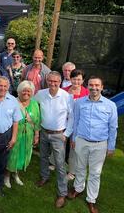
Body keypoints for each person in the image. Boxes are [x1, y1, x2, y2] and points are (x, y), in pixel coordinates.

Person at [67, 76, 118, 213]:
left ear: (102, 87)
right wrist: (73, 138)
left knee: (95, 173)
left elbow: (113, 128)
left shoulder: (110, 105)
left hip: (100, 144)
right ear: (87, 86)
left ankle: (91, 199)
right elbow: (76, 121)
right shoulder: (79, 103)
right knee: (80, 167)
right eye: (91, 85)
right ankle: (78, 188)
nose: (94, 88)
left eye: (97, 85)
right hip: (81, 141)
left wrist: (111, 146)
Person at [34, 71, 74, 208]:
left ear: (60, 82)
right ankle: (44, 177)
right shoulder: (41, 94)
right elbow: (32, 105)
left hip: (59, 135)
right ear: (47, 81)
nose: (53, 84)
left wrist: (66, 134)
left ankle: (62, 193)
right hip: (44, 131)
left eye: (56, 81)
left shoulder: (66, 96)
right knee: (43, 157)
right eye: (50, 81)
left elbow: (72, 117)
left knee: (60, 164)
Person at [4, 81, 40, 188]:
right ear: (19, 91)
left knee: (23, 155)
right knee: (12, 156)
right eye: (23, 90)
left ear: (32, 92)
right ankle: (6, 176)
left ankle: (16, 174)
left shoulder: (34, 104)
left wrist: (36, 134)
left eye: (28, 91)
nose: (26, 93)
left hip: (28, 136)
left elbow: (37, 120)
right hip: (14, 134)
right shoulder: (13, 102)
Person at [62, 69, 89, 181]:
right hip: (64, 122)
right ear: (70, 79)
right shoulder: (64, 91)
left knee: (74, 147)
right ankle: (56, 164)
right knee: (61, 144)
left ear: (83, 80)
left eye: (79, 79)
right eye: (74, 79)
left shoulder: (87, 93)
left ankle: (72, 171)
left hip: (78, 124)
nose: (76, 82)